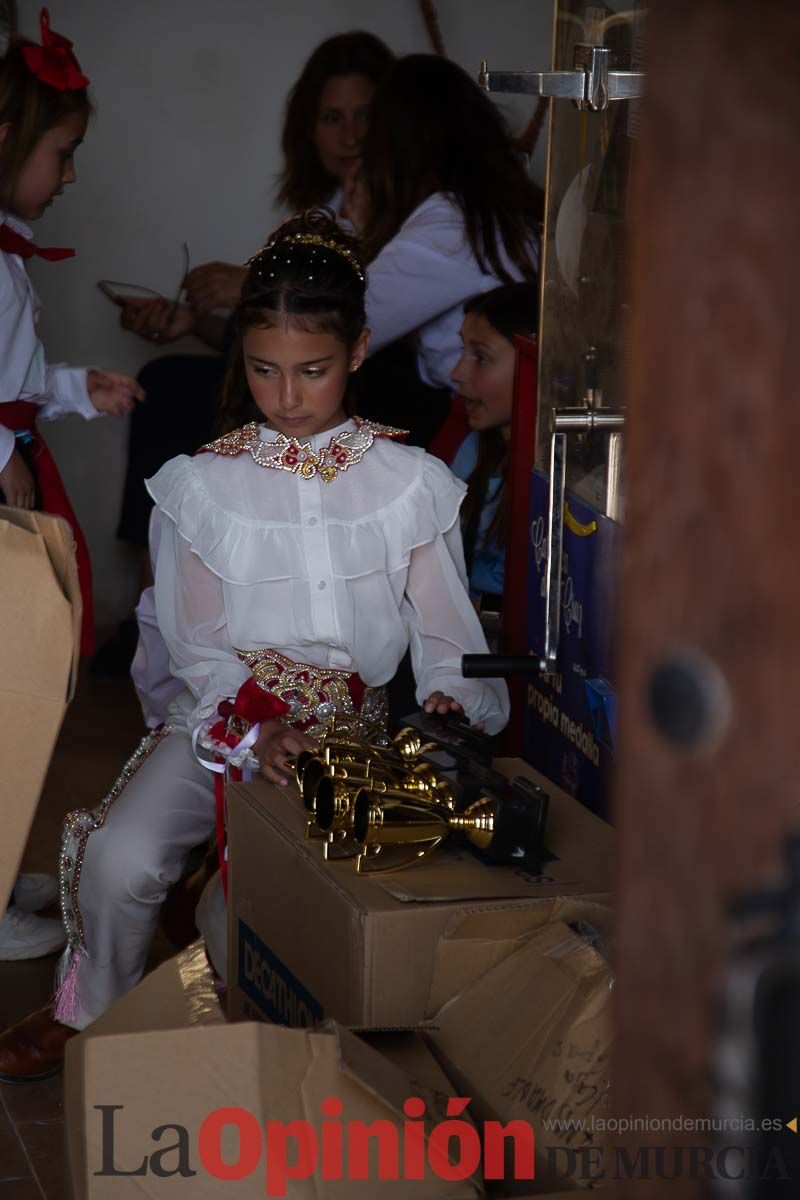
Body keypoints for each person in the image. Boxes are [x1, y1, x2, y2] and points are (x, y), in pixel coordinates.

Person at [0, 209, 508, 1082]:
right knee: (121, 857)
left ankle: (250, 1016)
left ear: (357, 352)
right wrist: (253, 729)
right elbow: (200, 649)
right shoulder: (203, 487)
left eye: (311, 371)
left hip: (348, 735)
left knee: (255, 924)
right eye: (264, 370)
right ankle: (95, 1008)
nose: (286, 395)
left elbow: (444, 633)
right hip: (224, 716)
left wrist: (453, 698)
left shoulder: (412, 485)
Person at [92, 32, 395, 675]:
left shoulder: (404, 210)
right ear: (307, 129)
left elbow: (335, 327)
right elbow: (281, 336)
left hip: (381, 377)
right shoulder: (329, 206)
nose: (350, 137)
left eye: (365, 117)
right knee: (167, 380)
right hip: (318, 362)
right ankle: (161, 597)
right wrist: (194, 322)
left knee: (186, 394)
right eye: (331, 118)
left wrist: (251, 282)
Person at [0, 10, 142, 964]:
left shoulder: (7, 253)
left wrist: (69, 389)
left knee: (21, 685)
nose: (73, 174)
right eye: (65, 151)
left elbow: (4, 381)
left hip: (16, 469)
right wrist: (8, 480)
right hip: (3, 488)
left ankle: (3, 861)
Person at [345, 54, 543, 450]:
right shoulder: (489, 206)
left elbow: (345, 326)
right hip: (485, 409)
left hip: (479, 415)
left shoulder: (452, 223)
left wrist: (359, 233)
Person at [449, 283, 538, 611]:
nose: (456, 373)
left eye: (481, 358)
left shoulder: (563, 471)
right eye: (462, 352)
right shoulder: (474, 450)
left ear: (533, 360)